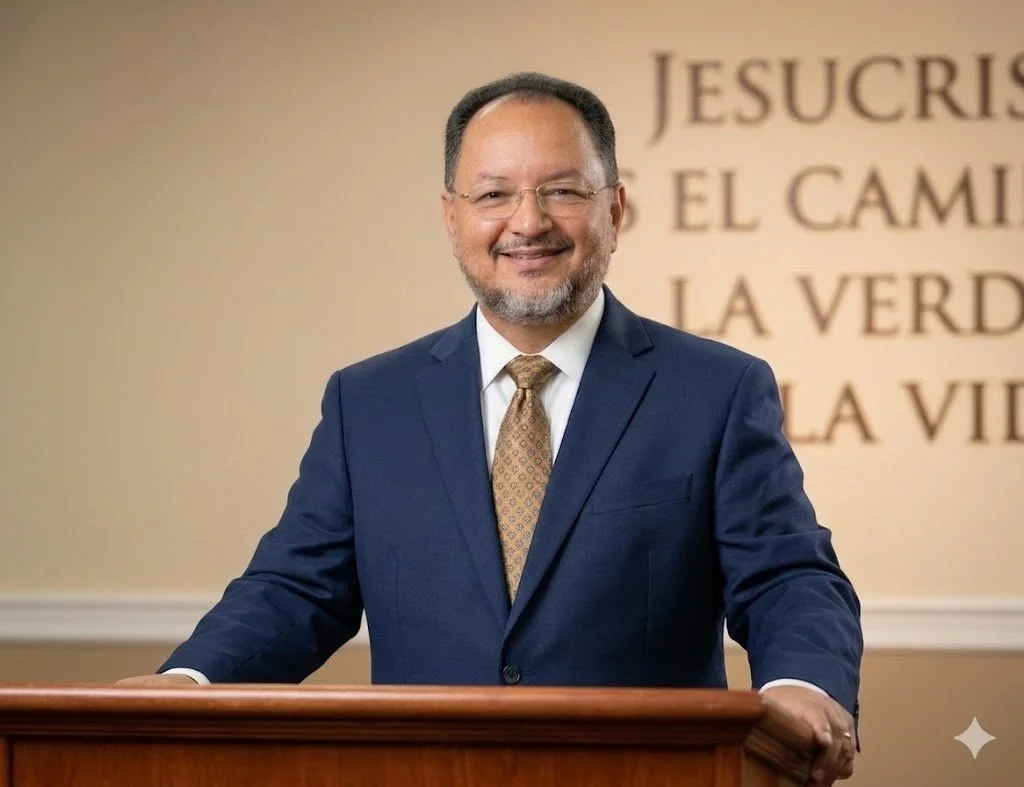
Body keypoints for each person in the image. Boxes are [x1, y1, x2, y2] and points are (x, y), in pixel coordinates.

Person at [120, 72, 862, 786]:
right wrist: (187, 682)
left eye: (563, 191)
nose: (528, 222)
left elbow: (785, 575)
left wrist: (801, 685)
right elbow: (294, 590)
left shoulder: (716, 389)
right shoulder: (368, 402)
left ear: (616, 209)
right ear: (452, 217)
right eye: (494, 194)